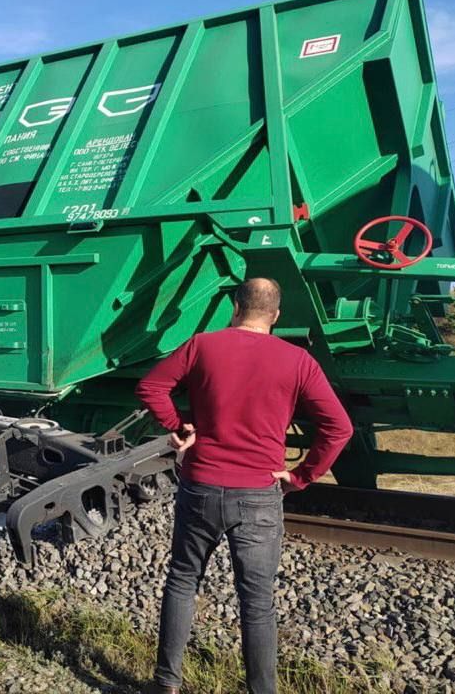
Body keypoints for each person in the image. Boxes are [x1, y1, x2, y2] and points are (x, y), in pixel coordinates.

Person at [135, 278, 353, 694]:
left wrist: (177, 426)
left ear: (235, 308)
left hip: (200, 484)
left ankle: (166, 684)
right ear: (276, 315)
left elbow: (151, 387)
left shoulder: (202, 345)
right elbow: (339, 428)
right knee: (257, 603)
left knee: (182, 580)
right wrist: (301, 476)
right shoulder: (298, 360)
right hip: (259, 493)